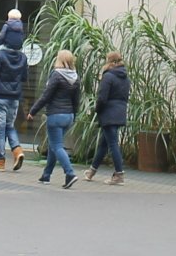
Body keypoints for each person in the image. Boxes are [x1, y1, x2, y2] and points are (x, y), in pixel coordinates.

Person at [27, 49, 80, 188]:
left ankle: (70, 173)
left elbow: (46, 96)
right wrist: (74, 115)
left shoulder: (56, 75)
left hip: (55, 116)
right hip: (68, 116)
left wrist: (33, 111)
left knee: (57, 146)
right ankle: (46, 175)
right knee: (53, 145)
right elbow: (76, 100)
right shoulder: (75, 77)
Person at [0, 20, 29, 171]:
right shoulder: (23, 57)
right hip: (14, 98)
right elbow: (24, 77)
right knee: (9, 126)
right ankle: (17, 150)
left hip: (0, 97)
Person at [83, 52, 129, 185]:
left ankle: (119, 175)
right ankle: (91, 171)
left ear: (110, 62)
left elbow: (102, 97)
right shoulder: (125, 77)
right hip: (119, 112)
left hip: (108, 113)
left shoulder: (108, 76)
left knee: (113, 143)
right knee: (104, 144)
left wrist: (97, 110)